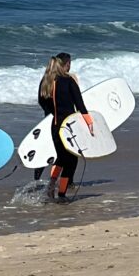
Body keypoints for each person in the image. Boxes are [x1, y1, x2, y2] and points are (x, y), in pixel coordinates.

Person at [36, 53, 93, 202]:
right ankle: (61, 194)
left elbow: (41, 101)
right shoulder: (68, 81)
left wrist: (53, 112)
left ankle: (51, 185)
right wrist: (89, 123)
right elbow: (79, 103)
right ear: (67, 64)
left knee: (61, 158)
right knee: (71, 161)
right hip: (69, 126)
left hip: (55, 125)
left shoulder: (47, 80)